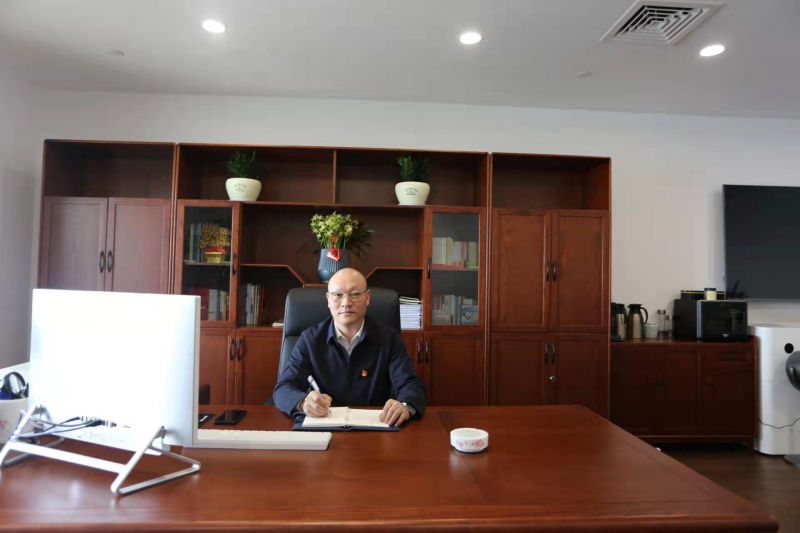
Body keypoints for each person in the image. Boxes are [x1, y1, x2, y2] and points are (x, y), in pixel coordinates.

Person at [273, 268, 426, 426]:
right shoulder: (309, 340)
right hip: (324, 427)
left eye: (355, 294)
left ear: (367, 297)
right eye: (338, 295)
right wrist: (303, 402)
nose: (346, 303)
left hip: (376, 428)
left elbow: (411, 384)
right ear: (328, 299)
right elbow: (284, 388)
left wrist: (405, 406)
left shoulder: (389, 338)